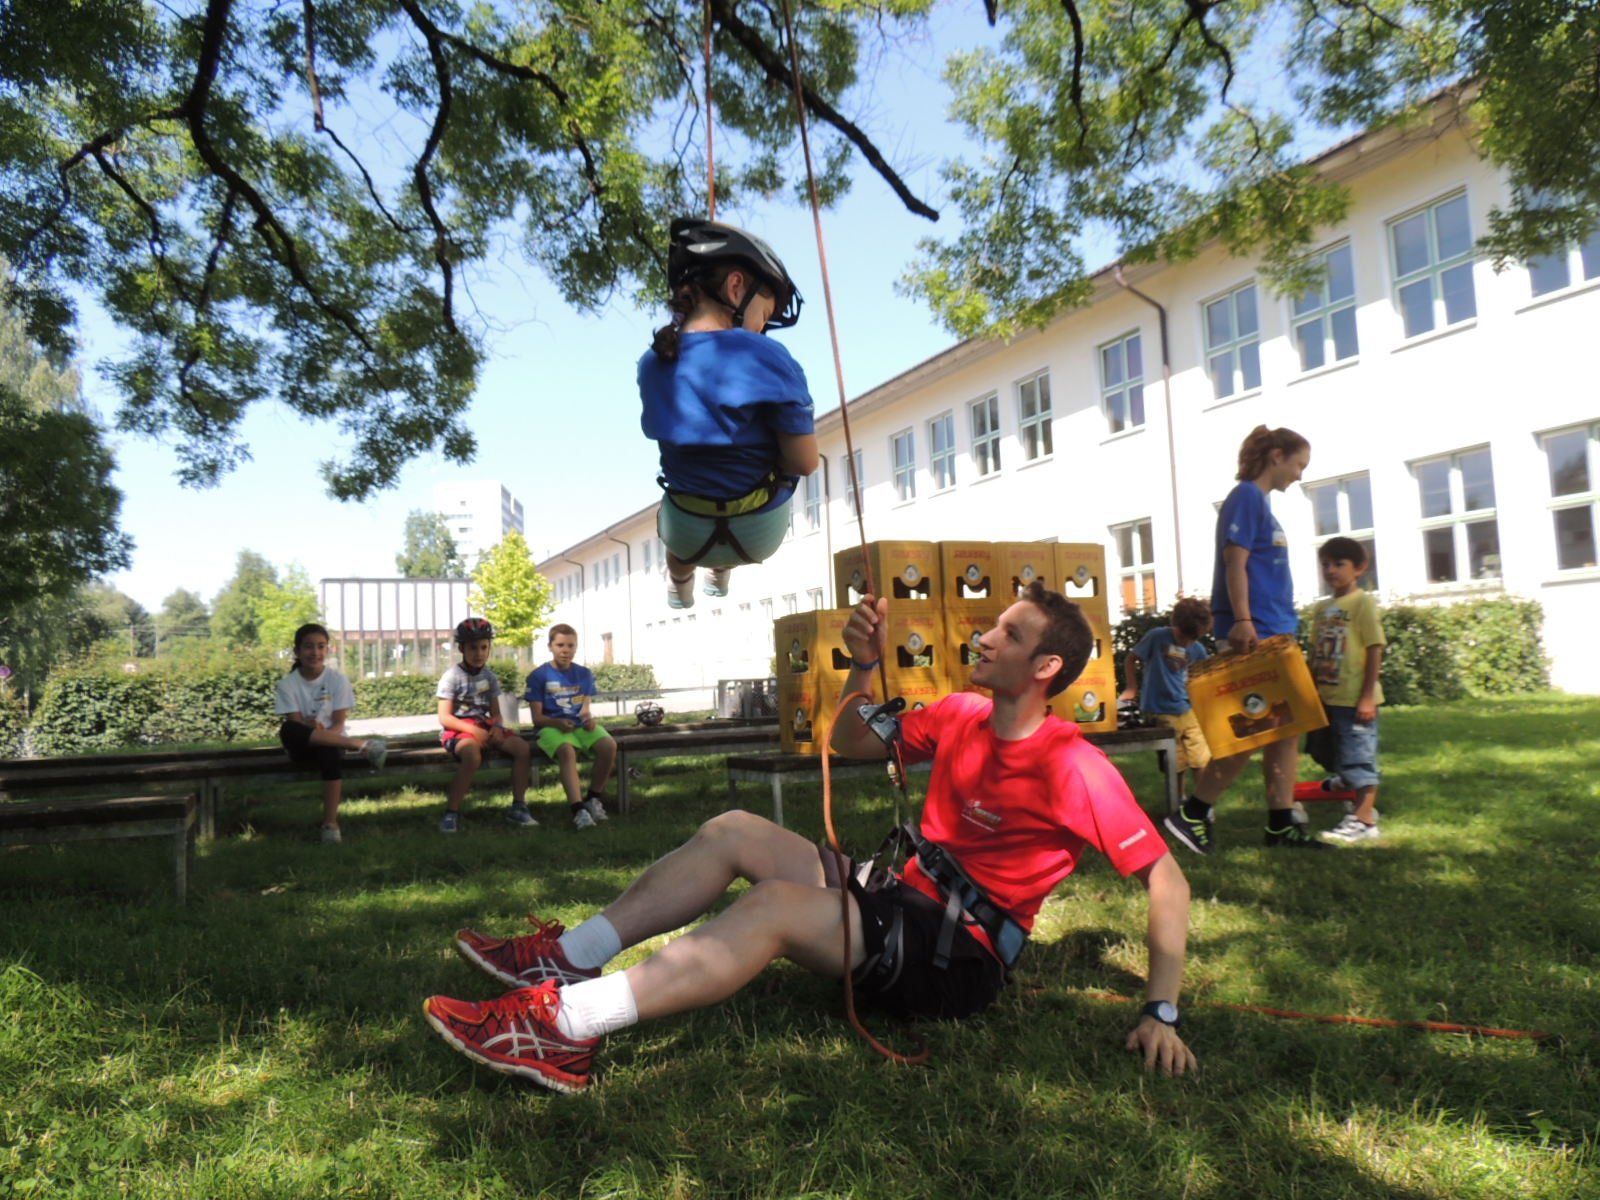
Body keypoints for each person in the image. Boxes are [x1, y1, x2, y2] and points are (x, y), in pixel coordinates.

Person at [422, 583, 1198, 1093]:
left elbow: (1167, 880)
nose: (987, 636)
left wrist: (1160, 1011)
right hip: (899, 900)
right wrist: (864, 666)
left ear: (1046, 666)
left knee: (774, 907)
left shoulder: (1072, 765)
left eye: (1010, 632)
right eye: (995, 624)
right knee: (733, 830)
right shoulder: (962, 713)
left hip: (957, 958)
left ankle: (562, 1028)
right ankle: (571, 955)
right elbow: (854, 741)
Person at [638, 217, 820, 609]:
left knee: (684, 484)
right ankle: (721, 572)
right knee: (762, 461)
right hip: (758, 532)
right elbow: (804, 463)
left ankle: (679, 583)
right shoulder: (767, 356)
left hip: (686, 532)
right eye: (765, 315)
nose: (762, 328)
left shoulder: (651, 363)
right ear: (736, 287)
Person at [1163, 425, 1326, 854]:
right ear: (1277, 456)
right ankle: (1192, 814)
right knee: (1251, 730)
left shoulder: (1262, 504)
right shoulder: (1246, 497)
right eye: (1299, 464)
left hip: (1275, 630)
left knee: (1286, 730)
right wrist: (1242, 620)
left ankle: (1280, 826)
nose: (1300, 475)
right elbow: (1234, 562)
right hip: (1255, 632)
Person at [274, 622, 387, 844]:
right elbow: (295, 725)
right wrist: (309, 727)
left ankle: (330, 824)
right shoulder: (287, 684)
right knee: (288, 729)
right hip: (302, 747)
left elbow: (338, 723)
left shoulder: (337, 680)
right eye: (308, 646)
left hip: (332, 743)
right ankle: (362, 745)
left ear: (327, 649)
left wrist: (323, 733)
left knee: (329, 751)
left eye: (321, 646)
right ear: (297, 651)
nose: (315, 652)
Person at [1307, 537, 1386, 843]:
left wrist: (1366, 697)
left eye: (1339, 564)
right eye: (1325, 564)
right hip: (1327, 696)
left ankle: (1364, 819)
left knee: (1358, 757)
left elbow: (1374, 648)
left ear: (1359, 568)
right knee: (1325, 750)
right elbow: (1315, 652)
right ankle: (1347, 783)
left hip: (1354, 699)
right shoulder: (1322, 608)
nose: (1331, 570)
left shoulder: (1362, 603)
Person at [435, 618, 536, 834]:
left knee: (522, 749)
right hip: (459, 729)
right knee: (472, 756)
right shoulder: (451, 677)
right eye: (473, 648)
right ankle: (451, 813)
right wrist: (473, 731)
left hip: (484, 726)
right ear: (461, 648)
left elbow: (496, 713)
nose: (479, 653)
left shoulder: (490, 677)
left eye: (484, 647)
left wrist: (497, 728)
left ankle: (519, 806)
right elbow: (444, 717)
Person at [523, 624, 617, 830]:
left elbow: (585, 709)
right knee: (567, 751)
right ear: (550, 646)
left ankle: (593, 798)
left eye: (570, 645)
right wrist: (556, 723)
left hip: (578, 725)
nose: (565, 650)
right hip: (551, 726)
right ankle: (578, 810)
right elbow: (537, 718)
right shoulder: (538, 676)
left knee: (609, 746)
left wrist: (588, 719)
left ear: (576, 647)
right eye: (560, 645)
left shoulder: (584, 674)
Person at [1119, 597, 1214, 795]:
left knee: (1200, 758)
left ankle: (1203, 802)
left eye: (1194, 638)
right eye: (1184, 636)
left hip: (1190, 711)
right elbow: (1131, 659)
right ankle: (1178, 800)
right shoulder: (1157, 637)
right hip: (1162, 710)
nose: (1187, 642)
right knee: (1175, 761)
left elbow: (1204, 677)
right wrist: (1132, 687)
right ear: (1175, 624)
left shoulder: (1197, 649)